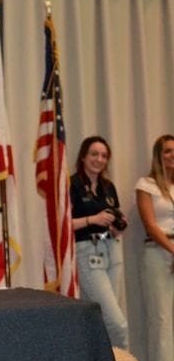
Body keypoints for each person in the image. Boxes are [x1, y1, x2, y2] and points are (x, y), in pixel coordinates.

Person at [69, 136, 129, 349]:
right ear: (83, 157)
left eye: (104, 156)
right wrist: (93, 219)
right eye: (94, 154)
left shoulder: (107, 186)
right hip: (88, 250)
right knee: (117, 324)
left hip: (112, 247)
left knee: (100, 319)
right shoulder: (72, 184)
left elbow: (116, 215)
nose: (99, 159)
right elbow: (61, 226)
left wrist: (118, 224)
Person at [136, 134, 174, 361]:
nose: (172, 155)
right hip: (158, 252)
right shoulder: (146, 184)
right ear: (158, 155)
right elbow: (150, 224)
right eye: (167, 151)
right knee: (160, 317)